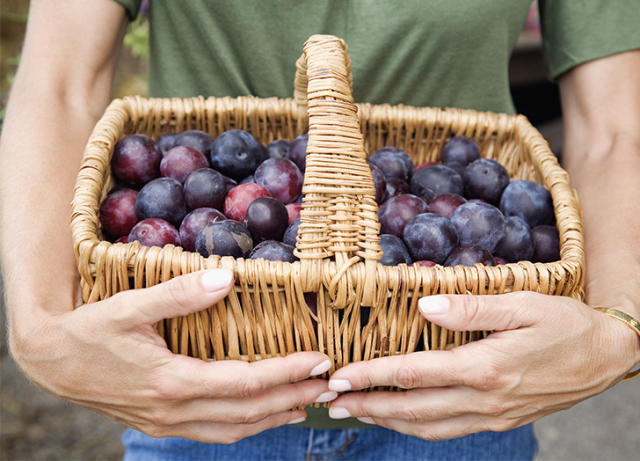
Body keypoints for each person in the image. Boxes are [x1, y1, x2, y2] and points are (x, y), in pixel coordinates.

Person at [1, 0, 638, 459]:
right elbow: (59, 82)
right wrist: (37, 326)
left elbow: (616, 130)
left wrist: (624, 330)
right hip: (194, 381)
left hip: (464, 396)